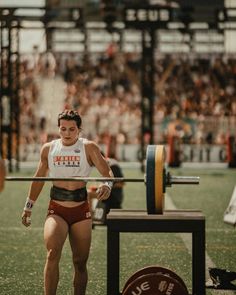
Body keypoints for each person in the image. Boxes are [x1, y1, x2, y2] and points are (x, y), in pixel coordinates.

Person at [21, 109, 113, 295]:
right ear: (58, 129)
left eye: (72, 129)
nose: (67, 133)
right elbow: (38, 179)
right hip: (57, 209)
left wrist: (107, 186)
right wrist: (28, 207)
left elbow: (108, 173)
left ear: (79, 130)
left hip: (81, 210)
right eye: (63, 129)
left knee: (80, 262)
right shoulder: (49, 149)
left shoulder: (89, 147)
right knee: (52, 253)